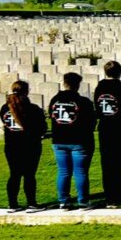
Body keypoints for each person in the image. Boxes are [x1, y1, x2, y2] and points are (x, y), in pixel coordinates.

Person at [49, 71, 96, 211]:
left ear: (64, 83)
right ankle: (83, 201)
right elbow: (91, 122)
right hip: (78, 140)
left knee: (63, 172)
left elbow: (53, 118)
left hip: (59, 140)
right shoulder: (84, 102)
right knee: (80, 172)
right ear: (78, 85)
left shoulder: (54, 100)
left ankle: (64, 202)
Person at [93, 61, 121, 208]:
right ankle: (117, 193)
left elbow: (98, 109)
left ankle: (109, 195)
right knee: (120, 162)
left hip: (105, 128)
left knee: (107, 162)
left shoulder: (99, 89)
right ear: (120, 72)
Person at [1, 80, 45, 212]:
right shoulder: (32, 109)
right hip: (29, 145)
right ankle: (31, 203)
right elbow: (42, 127)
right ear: (26, 91)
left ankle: (12, 204)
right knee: (29, 175)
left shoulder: (4, 108)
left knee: (14, 174)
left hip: (11, 145)